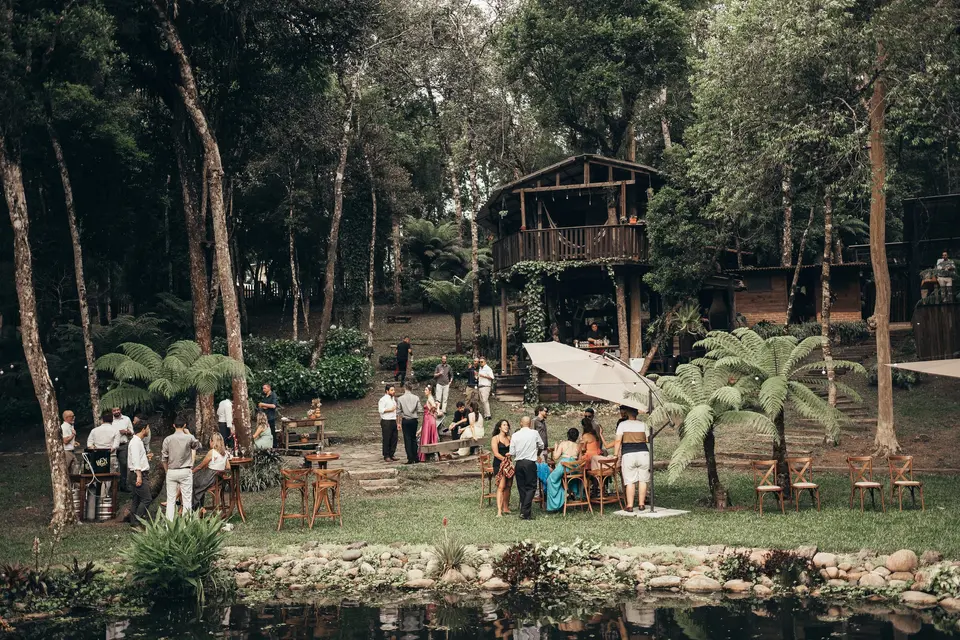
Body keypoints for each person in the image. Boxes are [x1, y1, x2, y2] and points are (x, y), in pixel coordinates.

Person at [162, 414, 199, 520]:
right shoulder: (189, 438)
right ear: (184, 425)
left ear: (174, 425)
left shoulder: (167, 439)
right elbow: (197, 446)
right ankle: (186, 525)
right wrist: (189, 433)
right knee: (187, 500)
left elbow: (164, 458)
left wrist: (166, 471)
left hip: (172, 471)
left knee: (170, 500)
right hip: (185, 470)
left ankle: (169, 526)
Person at [614, 406, 651, 513]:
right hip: (643, 453)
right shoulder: (643, 424)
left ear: (627, 413)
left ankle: (630, 505)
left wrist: (616, 455)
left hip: (628, 454)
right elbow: (648, 439)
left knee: (630, 480)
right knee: (643, 480)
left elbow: (617, 441)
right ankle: (641, 504)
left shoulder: (622, 425)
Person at [509, 416, 543, 520]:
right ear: (530, 424)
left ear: (520, 423)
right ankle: (525, 511)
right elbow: (541, 445)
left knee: (522, 487)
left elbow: (512, 452)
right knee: (531, 487)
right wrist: (537, 454)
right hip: (530, 463)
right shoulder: (534, 433)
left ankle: (525, 512)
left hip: (519, 463)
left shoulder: (515, 435)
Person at [545, 428, 582, 512]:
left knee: (551, 480)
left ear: (567, 435)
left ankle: (559, 499)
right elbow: (580, 460)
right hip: (574, 468)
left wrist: (556, 446)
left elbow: (555, 457)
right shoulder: (578, 446)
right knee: (564, 479)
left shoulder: (563, 444)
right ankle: (568, 492)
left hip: (564, 466)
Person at [192, 432, 231, 511]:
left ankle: (193, 507)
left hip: (209, 477)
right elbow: (228, 467)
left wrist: (192, 471)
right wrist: (219, 467)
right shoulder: (225, 453)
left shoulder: (212, 452)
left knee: (192, 482)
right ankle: (199, 507)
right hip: (217, 480)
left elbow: (201, 466)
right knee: (198, 485)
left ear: (213, 441)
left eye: (210, 440)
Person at [127, 420, 152, 526]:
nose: (148, 431)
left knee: (136, 499)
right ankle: (138, 520)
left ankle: (133, 521)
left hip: (138, 472)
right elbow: (136, 460)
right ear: (143, 429)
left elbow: (137, 458)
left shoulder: (137, 441)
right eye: (148, 428)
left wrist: (145, 458)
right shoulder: (136, 442)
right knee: (147, 499)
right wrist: (139, 476)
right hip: (138, 473)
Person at [491, 420, 513, 517]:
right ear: (499, 427)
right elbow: (496, 453)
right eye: (504, 425)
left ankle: (506, 507)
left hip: (508, 464)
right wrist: (505, 459)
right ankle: (499, 511)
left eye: (507, 425)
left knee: (509, 485)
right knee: (501, 486)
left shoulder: (510, 438)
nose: (506, 426)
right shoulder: (495, 438)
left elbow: (513, 450)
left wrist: (510, 456)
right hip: (499, 464)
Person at [397, 384, 422, 464]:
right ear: (411, 388)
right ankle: (416, 457)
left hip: (406, 420)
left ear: (405, 388)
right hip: (414, 420)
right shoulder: (416, 398)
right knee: (413, 438)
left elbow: (398, 411)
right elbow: (420, 409)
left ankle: (410, 458)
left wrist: (401, 417)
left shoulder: (400, 398)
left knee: (407, 439)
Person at [112, 407, 133, 491]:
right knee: (113, 465)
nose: (116, 411)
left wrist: (126, 432)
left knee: (123, 465)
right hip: (112, 446)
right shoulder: (110, 420)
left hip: (123, 445)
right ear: (112, 412)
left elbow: (132, 432)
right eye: (114, 410)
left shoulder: (126, 419)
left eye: (118, 410)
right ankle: (113, 485)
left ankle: (123, 485)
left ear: (120, 410)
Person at [417, 385, 440, 462]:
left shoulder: (430, 398)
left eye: (426, 390)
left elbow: (434, 406)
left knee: (427, 434)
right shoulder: (429, 398)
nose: (424, 391)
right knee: (426, 434)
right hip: (428, 419)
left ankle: (425, 455)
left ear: (430, 391)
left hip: (429, 419)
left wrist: (431, 411)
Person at [378, 384, 399, 462]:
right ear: (387, 391)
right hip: (386, 420)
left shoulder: (393, 399)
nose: (393, 391)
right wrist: (390, 409)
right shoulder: (383, 399)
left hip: (393, 420)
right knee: (387, 438)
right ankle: (386, 455)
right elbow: (381, 410)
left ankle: (392, 454)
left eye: (394, 390)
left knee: (394, 438)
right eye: (392, 390)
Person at [61, 410, 77, 474]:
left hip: (71, 451)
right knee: (66, 471)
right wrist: (73, 434)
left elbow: (68, 439)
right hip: (67, 452)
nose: (74, 418)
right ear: (66, 418)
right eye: (72, 416)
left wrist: (74, 442)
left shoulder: (70, 426)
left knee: (75, 469)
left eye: (74, 416)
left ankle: (74, 483)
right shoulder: (64, 427)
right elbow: (65, 441)